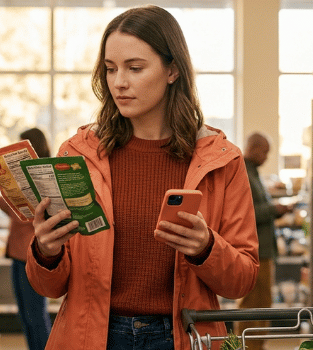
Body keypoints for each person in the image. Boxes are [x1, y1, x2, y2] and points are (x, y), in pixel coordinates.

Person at [24, 5, 259, 350]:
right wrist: (46, 251)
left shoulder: (221, 160)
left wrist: (207, 248)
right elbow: (48, 288)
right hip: (93, 337)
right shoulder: (77, 154)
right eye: (110, 69)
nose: (119, 82)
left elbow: (242, 280)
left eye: (135, 68)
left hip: (184, 335)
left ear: (173, 70)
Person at [0, 128, 53, 350]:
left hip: (32, 254)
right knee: (27, 315)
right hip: (19, 253)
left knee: (35, 316)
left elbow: (25, 214)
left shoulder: (42, 176)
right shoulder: (26, 176)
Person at [234, 132, 291, 350]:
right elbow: (245, 212)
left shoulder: (253, 173)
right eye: (265, 151)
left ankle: (257, 346)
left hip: (263, 250)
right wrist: (274, 209)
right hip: (254, 251)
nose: (267, 157)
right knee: (253, 304)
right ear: (254, 148)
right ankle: (250, 347)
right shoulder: (244, 173)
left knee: (263, 302)